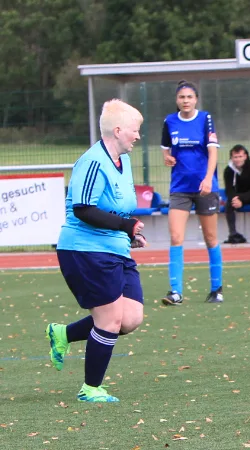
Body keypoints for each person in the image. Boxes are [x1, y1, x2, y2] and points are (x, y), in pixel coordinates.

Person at [47, 99, 149, 403]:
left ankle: (63, 334)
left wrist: (128, 233)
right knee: (110, 320)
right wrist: (126, 225)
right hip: (85, 251)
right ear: (117, 130)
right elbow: (83, 209)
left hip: (115, 249)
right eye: (135, 130)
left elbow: (116, 209)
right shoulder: (93, 161)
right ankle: (90, 388)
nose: (138, 136)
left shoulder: (124, 161)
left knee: (130, 318)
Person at [160, 80, 223, 305]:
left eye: (189, 97)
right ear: (176, 100)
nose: (185, 101)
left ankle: (216, 289)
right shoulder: (169, 121)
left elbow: (213, 152)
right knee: (176, 237)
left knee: (210, 237)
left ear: (196, 99)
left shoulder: (205, 119)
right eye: (181, 97)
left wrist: (208, 179)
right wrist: (167, 158)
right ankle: (175, 292)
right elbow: (165, 149)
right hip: (180, 188)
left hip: (205, 188)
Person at [222, 144, 250, 243]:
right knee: (229, 204)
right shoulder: (228, 170)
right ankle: (233, 233)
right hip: (239, 196)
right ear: (231, 158)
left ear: (245, 156)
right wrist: (235, 199)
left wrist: (241, 199)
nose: (238, 159)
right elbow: (229, 190)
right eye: (235, 157)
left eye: (240, 156)